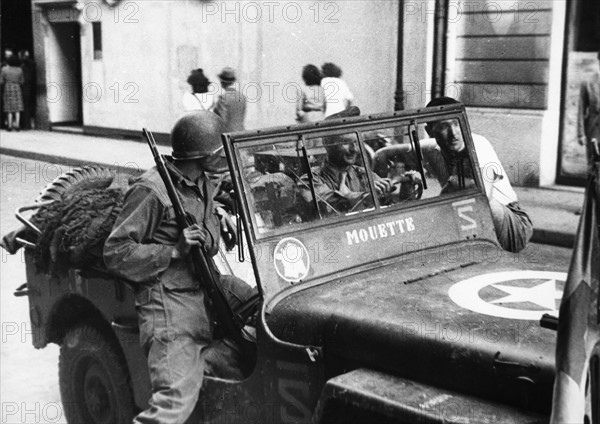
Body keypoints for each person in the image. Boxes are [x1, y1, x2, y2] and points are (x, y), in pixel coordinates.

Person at [104, 112, 256, 424]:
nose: (224, 156)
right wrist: (174, 250)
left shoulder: (203, 182)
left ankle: (206, 367)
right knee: (173, 405)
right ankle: (193, 370)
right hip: (170, 302)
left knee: (269, 318)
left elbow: (210, 229)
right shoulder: (153, 191)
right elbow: (115, 252)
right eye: (219, 151)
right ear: (203, 156)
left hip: (208, 286)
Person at [425, 96, 533, 253]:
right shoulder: (432, 147)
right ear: (430, 131)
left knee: (464, 186)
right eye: (443, 126)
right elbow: (388, 152)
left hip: (513, 224)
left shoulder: (478, 144)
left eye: (457, 124)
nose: (454, 134)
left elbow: (482, 195)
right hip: (469, 223)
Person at [299, 107, 395, 215]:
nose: (354, 149)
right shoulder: (309, 181)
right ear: (327, 143)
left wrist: (405, 186)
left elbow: (390, 202)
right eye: (346, 142)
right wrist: (367, 195)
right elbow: (332, 205)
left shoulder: (364, 174)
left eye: (356, 142)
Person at [577, 49, 600, 172]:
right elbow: (581, 109)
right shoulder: (588, 82)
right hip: (593, 132)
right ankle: (592, 191)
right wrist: (581, 134)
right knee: (593, 169)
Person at [214, 67, 246, 133]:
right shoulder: (242, 97)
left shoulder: (223, 98)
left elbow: (220, 121)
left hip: (228, 137)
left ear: (222, 82)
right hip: (241, 134)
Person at [1, 55, 24, 131]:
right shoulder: (20, 70)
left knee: (9, 107)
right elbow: (22, 81)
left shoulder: (4, 69)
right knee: (17, 107)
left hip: (8, 87)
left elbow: (1, 81)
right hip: (17, 87)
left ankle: (9, 125)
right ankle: (17, 125)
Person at [19, 50, 35, 130]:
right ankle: (25, 124)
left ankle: (25, 125)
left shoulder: (25, 65)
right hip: (27, 87)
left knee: (25, 106)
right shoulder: (28, 64)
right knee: (26, 106)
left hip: (25, 88)